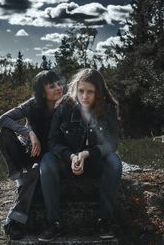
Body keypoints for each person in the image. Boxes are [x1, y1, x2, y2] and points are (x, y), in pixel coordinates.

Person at [39, 68, 122, 242]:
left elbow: (111, 143)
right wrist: (71, 156)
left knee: (114, 161)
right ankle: (53, 223)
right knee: (47, 160)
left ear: (98, 92)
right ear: (75, 89)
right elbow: (53, 142)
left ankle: (104, 220)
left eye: (90, 92)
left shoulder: (108, 109)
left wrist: (85, 154)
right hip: (67, 162)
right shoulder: (64, 108)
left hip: (94, 163)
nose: (84, 96)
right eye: (81, 91)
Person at [0, 70, 63, 240]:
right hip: (28, 152)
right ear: (41, 92)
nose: (58, 88)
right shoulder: (32, 105)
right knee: (4, 133)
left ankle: (13, 221)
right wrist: (28, 133)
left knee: (34, 173)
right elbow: (2, 120)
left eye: (59, 84)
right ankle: (19, 179)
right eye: (52, 86)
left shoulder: (65, 105)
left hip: (49, 157)